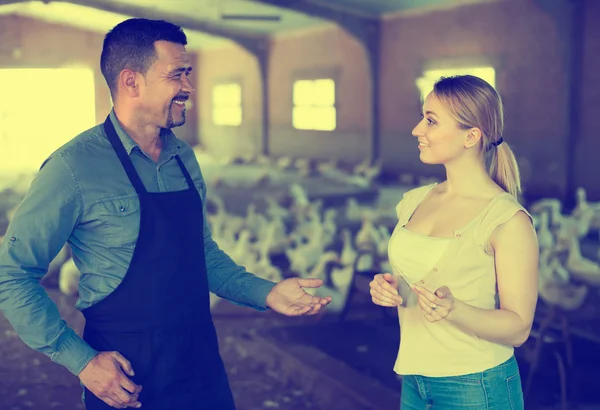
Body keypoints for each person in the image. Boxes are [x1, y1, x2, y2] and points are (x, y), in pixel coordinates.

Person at [0, 18, 331, 410]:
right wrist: (83, 361)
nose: (189, 87)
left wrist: (268, 292)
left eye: (188, 73)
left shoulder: (183, 158)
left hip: (201, 367)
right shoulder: (73, 168)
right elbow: (13, 274)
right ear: (131, 82)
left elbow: (201, 255)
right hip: (126, 381)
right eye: (177, 75)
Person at [369, 75, 538, 409]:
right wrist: (390, 288)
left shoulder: (506, 220)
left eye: (431, 120)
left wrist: (455, 310)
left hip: (477, 386)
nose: (418, 130)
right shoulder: (413, 201)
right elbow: (416, 284)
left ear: (471, 136)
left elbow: (518, 328)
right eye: (422, 118)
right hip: (415, 380)